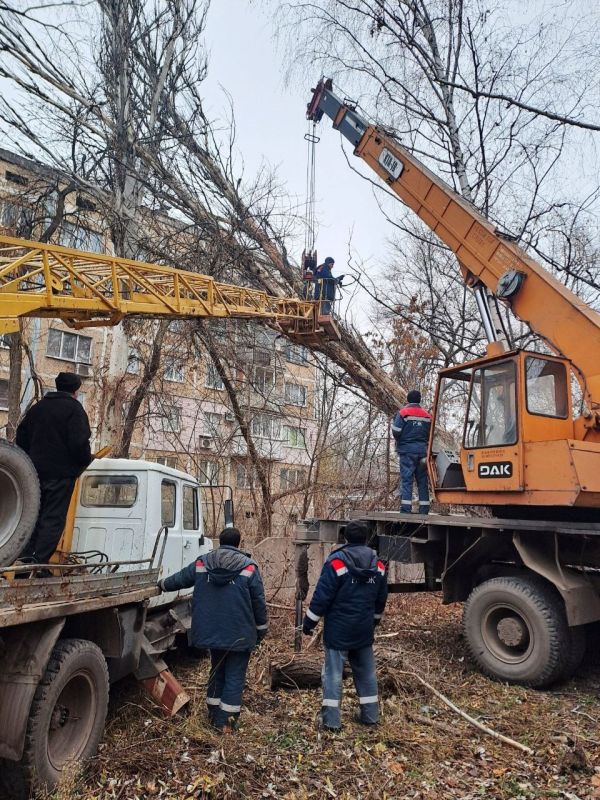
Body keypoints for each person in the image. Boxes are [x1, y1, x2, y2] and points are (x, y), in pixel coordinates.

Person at [158, 527, 268, 731]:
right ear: (238, 543)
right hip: (240, 633)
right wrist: (262, 629)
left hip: (212, 632)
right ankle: (226, 724)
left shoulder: (202, 562)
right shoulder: (249, 568)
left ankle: (213, 715)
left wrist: (162, 584)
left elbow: (180, 579)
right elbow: (258, 603)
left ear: (220, 542)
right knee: (234, 675)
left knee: (217, 669)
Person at [302, 521, 388, 731]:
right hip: (363, 628)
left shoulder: (337, 563)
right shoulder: (378, 565)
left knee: (333, 673)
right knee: (366, 672)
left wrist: (309, 622)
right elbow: (381, 598)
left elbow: (322, 597)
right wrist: (375, 620)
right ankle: (371, 716)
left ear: (345, 538)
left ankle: (331, 721)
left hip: (339, 629)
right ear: (366, 538)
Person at [16, 371, 92, 566]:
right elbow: (79, 444)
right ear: (75, 390)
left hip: (33, 473)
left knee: (32, 515)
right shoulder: (74, 410)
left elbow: (21, 437)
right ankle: (38, 563)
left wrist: (29, 460)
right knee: (53, 518)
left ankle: (23, 558)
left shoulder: (37, 408)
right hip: (61, 475)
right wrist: (83, 462)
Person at [392, 389, 432, 514]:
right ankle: (424, 509)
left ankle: (405, 509)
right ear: (419, 400)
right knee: (422, 481)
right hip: (423, 452)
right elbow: (430, 434)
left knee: (407, 480)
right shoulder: (427, 415)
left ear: (408, 399)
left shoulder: (403, 413)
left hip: (407, 452)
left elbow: (396, 431)